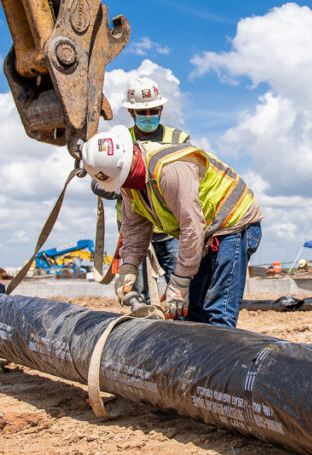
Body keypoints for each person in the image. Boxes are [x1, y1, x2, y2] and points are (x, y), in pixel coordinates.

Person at [82, 126, 263, 327]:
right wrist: (129, 266)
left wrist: (180, 281)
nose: (124, 183)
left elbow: (191, 226)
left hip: (233, 221)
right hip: (206, 230)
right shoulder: (129, 182)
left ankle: (220, 345)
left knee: (218, 310)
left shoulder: (169, 170)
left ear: (131, 154)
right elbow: (134, 228)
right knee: (193, 308)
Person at [91, 76, 190, 308]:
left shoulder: (178, 139)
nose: (148, 116)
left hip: (169, 228)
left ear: (161, 110)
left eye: (153, 111)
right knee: (135, 291)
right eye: (142, 112)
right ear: (132, 112)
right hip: (132, 228)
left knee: (181, 287)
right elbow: (97, 183)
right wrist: (129, 188)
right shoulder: (118, 142)